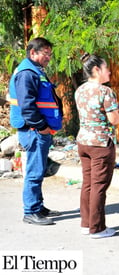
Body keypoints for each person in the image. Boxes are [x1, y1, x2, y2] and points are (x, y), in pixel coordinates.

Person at [8, 37, 63, 225]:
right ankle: (30, 210)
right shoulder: (27, 74)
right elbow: (28, 107)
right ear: (33, 52)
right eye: (45, 54)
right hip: (34, 130)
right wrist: (43, 127)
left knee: (39, 169)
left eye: (50, 54)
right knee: (34, 170)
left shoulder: (34, 71)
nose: (49, 57)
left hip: (37, 130)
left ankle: (38, 206)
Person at [75, 53, 119, 239]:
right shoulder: (105, 92)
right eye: (106, 68)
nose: (110, 71)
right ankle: (97, 228)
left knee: (87, 183)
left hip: (83, 141)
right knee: (99, 186)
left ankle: (86, 223)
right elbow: (114, 120)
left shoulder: (80, 90)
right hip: (101, 144)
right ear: (96, 70)